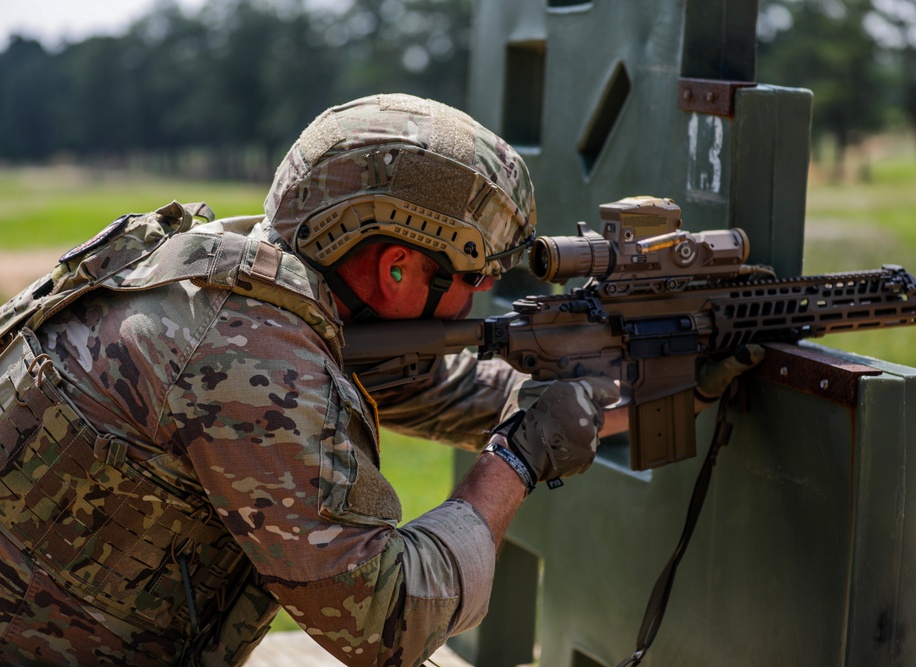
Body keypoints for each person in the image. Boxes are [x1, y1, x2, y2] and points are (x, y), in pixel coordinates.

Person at [0, 93, 758, 666]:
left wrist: (660, 381)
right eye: (476, 275)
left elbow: (459, 390)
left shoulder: (248, 273)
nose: (482, 297)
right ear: (398, 268)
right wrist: (517, 462)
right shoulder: (248, 355)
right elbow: (388, 622)